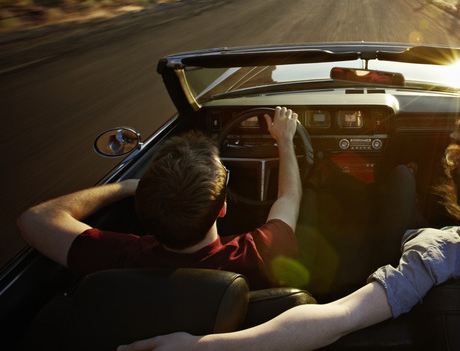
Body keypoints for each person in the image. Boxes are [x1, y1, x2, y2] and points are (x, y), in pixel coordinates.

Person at [121, 119, 460, 351]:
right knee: (400, 175)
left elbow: (335, 316)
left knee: (401, 177)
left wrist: (204, 347)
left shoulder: (435, 253)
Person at [17, 106, 302, 290]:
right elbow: (289, 196)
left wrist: (126, 186)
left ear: (143, 208)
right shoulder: (259, 252)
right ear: (223, 208)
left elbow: (34, 219)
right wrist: (284, 140)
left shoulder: (120, 258)